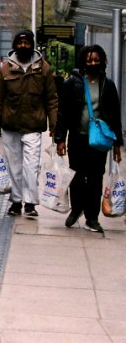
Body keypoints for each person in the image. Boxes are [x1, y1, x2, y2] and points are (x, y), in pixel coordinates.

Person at [0, 29, 59, 218]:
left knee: (31, 166)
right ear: (15, 45)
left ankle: (30, 203)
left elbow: (52, 99)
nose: (23, 46)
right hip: (10, 126)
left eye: (27, 43)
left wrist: (54, 125)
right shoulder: (5, 69)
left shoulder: (43, 68)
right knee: (14, 166)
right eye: (20, 43)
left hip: (33, 126)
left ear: (32, 45)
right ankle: (16, 201)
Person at [55, 45, 124, 233]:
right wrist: (60, 138)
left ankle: (92, 217)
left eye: (96, 60)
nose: (93, 63)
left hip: (99, 140)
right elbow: (63, 112)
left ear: (102, 61)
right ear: (83, 62)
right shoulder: (73, 83)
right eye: (89, 60)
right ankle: (76, 209)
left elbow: (114, 115)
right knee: (77, 175)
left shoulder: (107, 85)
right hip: (78, 137)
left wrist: (117, 144)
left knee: (95, 177)